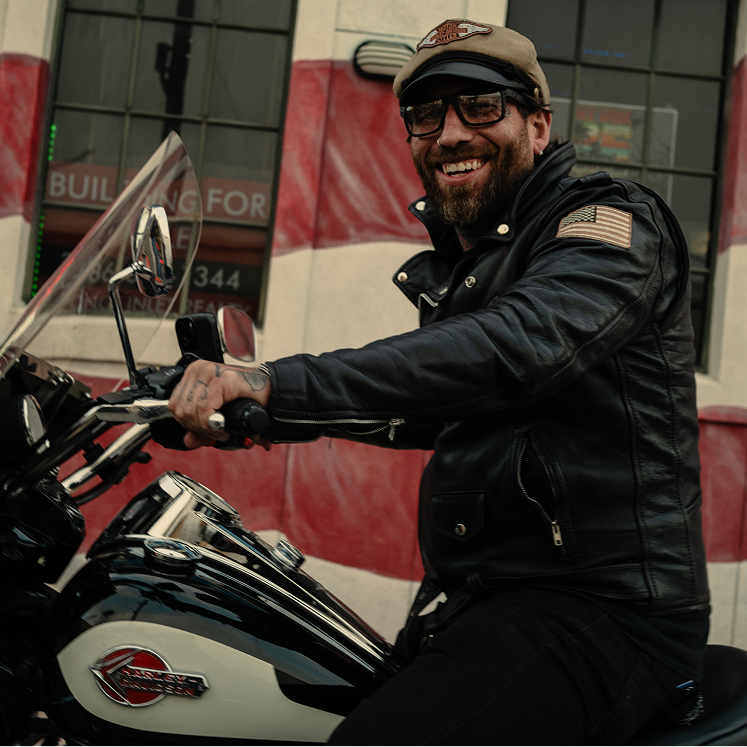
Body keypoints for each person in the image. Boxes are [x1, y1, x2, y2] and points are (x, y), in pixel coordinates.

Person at [168, 18, 709, 745]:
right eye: (427, 115)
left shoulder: (607, 226)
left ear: (538, 125)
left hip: (608, 612)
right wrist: (254, 412)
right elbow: (423, 408)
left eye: (481, 106)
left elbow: (510, 349)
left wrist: (271, 383)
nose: (450, 132)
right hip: (487, 601)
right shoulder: (479, 265)